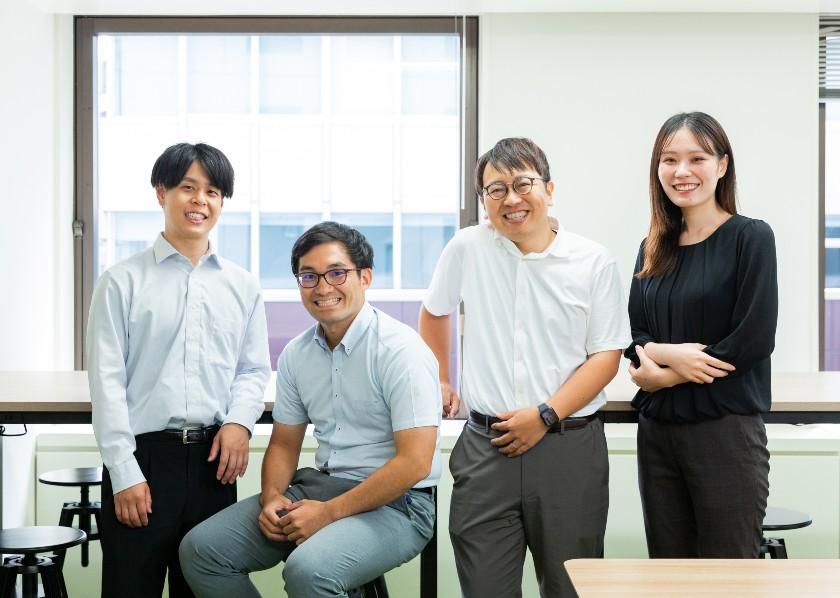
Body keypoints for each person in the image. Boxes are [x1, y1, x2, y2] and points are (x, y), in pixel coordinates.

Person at [179, 221, 441, 598]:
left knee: (310, 570)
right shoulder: (296, 355)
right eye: (309, 276)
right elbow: (284, 444)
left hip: (399, 504)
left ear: (365, 277)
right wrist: (272, 497)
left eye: (337, 273)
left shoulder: (401, 351)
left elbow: (415, 462)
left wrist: (329, 513)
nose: (322, 287)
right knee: (202, 551)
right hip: (320, 487)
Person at [419, 138, 630, 597]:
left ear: (549, 189)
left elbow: (606, 356)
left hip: (567, 448)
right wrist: (442, 377)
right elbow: (435, 312)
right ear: (484, 201)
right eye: (496, 190)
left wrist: (545, 415)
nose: (510, 199)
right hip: (486, 448)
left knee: (570, 589)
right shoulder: (468, 247)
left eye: (522, 184)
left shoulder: (592, 261)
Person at [87, 142, 271, 598]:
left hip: (214, 463)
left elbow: (253, 370)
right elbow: (107, 384)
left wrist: (239, 423)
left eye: (212, 192)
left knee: (204, 589)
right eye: (188, 188)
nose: (200, 201)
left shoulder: (243, 285)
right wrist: (124, 472)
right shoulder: (121, 281)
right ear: (161, 193)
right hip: (143, 461)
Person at [625, 111, 778, 558]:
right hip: (657, 435)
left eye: (697, 158)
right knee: (668, 573)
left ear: (722, 165)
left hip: (724, 432)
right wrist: (669, 353)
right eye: (669, 160)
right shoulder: (652, 247)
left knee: (727, 575)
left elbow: (753, 338)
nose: (682, 171)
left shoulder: (750, 237)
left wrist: (667, 376)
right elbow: (634, 334)